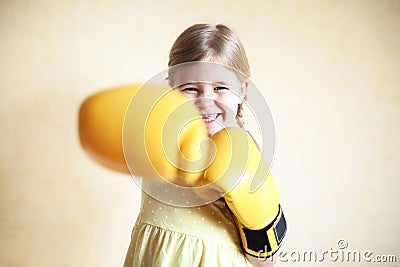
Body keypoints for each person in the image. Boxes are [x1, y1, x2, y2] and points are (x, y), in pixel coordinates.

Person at [79, 23, 286, 267]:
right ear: (171, 89)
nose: (205, 100)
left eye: (220, 87)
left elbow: (266, 261)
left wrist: (256, 216)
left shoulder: (243, 148)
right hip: (154, 257)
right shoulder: (156, 133)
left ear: (242, 89)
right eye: (190, 88)